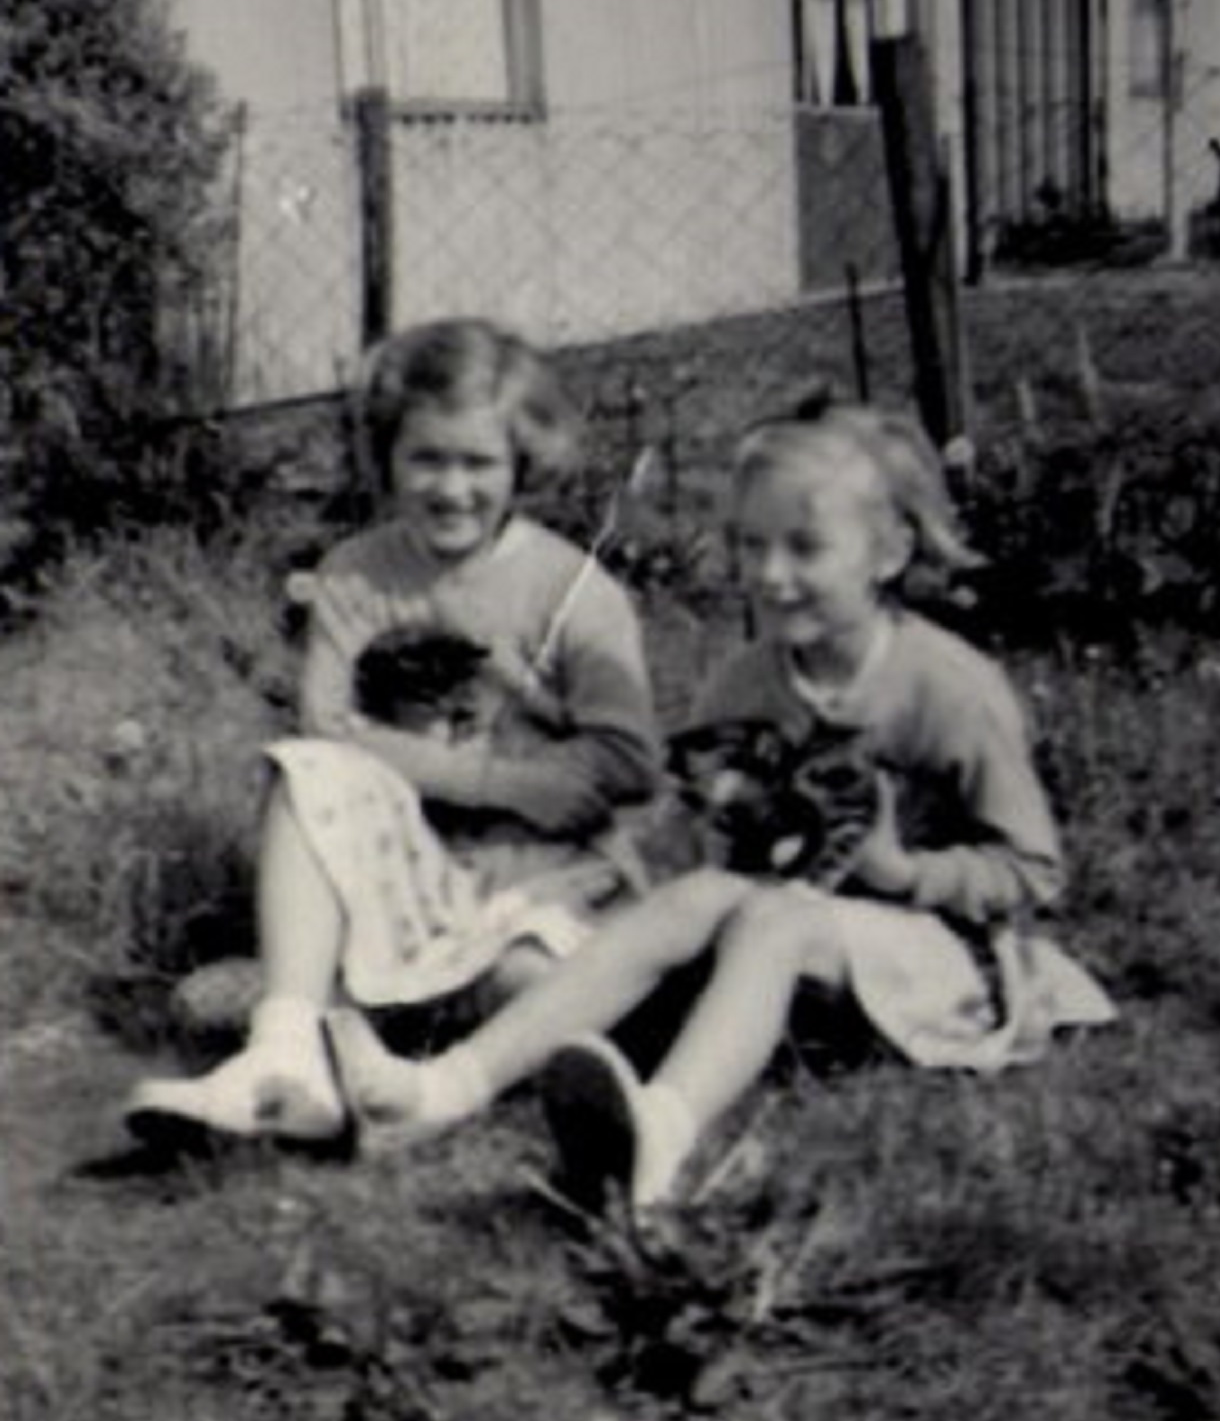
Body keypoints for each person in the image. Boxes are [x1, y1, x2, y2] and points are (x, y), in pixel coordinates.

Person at [326, 400, 1115, 1209]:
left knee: (779, 916)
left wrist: (902, 869)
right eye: (750, 545)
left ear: (890, 552)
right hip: (788, 960)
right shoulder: (743, 682)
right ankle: (437, 1094)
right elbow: (710, 856)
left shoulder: (945, 686)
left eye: (804, 548)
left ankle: (660, 1132)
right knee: (682, 908)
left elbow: (1033, 873)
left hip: (944, 962)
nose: (770, 575)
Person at [124, 318, 661, 1147]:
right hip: (414, 866)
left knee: (531, 982)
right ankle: (289, 1051)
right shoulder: (356, 573)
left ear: (521, 464)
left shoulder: (571, 586)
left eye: (478, 463)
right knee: (300, 771)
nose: (452, 488)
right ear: (387, 458)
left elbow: (632, 762)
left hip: (542, 877)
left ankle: (328, 1003)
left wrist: (541, 777)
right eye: (427, 460)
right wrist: (496, 780)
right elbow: (328, 731)